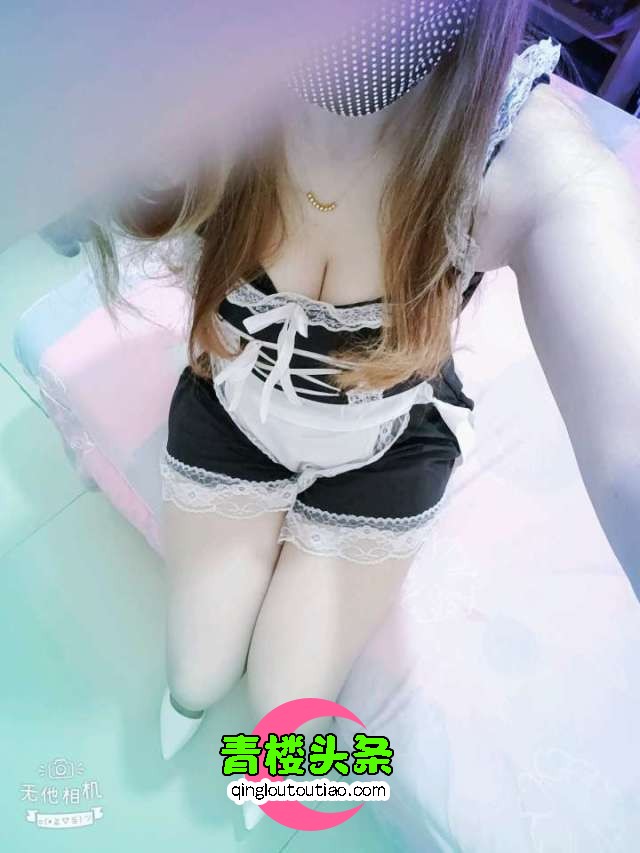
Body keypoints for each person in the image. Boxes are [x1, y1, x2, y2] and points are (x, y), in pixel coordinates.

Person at [82, 0, 640, 829]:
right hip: (233, 407)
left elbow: (626, 435)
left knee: (286, 715)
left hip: (382, 448)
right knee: (194, 674)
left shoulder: (517, 153)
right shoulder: (199, 82)